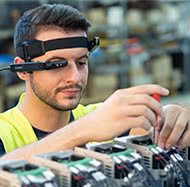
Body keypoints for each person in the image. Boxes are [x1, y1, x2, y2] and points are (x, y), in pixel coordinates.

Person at [0, 4, 189, 161]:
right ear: (23, 70)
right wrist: (81, 132)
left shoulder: (101, 118)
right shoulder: (5, 132)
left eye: (82, 63)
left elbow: (155, 125)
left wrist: (177, 114)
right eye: (56, 65)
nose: (75, 77)